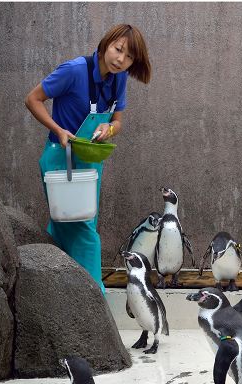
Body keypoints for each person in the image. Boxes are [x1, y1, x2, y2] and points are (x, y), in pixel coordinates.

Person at [25, 24, 151, 293]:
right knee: (84, 232)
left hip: (91, 163)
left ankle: (63, 296)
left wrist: (110, 129)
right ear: (106, 43)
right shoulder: (73, 70)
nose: (121, 60)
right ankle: (96, 301)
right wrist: (57, 129)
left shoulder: (120, 78)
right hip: (62, 161)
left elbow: (118, 121)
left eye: (129, 57)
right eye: (118, 50)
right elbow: (33, 99)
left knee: (65, 228)